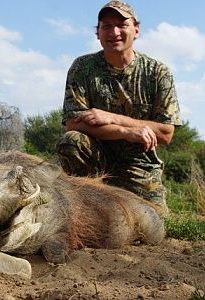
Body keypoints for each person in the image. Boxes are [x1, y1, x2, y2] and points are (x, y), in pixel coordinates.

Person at [56, 0, 182, 215]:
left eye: (121, 25)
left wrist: (112, 118)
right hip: (96, 158)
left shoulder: (158, 72)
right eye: (106, 26)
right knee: (71, 142)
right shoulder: (82, 67)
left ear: (136, 30)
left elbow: (165, 132)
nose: (114, 32)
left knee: (154, 222)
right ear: (98, 33)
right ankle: (84, 204)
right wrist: (125, 131)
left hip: (139, 164)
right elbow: (73, 123)